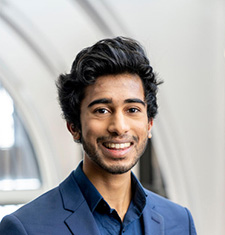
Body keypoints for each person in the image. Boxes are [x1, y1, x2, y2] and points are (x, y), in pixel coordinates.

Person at [0, 36, 197, 234]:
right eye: (102, 110)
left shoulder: (180, 222)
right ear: (74, 126)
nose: (119, 127)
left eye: (132, 109)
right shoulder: (25, 228)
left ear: (149, 124)